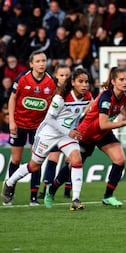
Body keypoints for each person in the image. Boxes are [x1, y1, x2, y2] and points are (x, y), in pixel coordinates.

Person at [44, 67, 126, 207]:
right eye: (121, 79)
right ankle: (51, 190)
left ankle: (108, 196)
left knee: (120, 160)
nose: (125, 82)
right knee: (72, 165)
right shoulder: (106, 98)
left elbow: (123, 105)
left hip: (103, 134)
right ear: (113, 81)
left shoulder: (125, 94)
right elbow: (103, 124)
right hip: (86, 134)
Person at [1, 68, 93, 210]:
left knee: (77, 159)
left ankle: (75, 199)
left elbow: (94, 106)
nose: (84, 85)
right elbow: (49, 119)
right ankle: (9, 182)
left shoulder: (87, 97)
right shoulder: (61, 97)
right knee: (34, 166)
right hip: (48, 134)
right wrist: (69, 131)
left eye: (86, 82)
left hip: (65, 135)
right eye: (81, 81)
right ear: (73, 83)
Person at [2, 52, 57, 206]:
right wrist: (12, 121)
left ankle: (33, 197)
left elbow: (55, 102)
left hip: (38, 127)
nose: (41, 63)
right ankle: (9, 191)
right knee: (16, 159)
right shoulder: (22, 78)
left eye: (44, 60)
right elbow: (12, 99)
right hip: (19, 124)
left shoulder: (51, 81)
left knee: (36, 160)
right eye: (38, 61)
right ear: (31, 64)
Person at [39, 64, 72, 199]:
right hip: (54, 129)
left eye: (67, 75)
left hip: (71, 129)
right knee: (53, 158)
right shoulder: (52, 91)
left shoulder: (74, 91)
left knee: (72, 159)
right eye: (62, 75)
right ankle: (47, 189)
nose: (64, 78)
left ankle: (68, 190)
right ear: (56, 76)